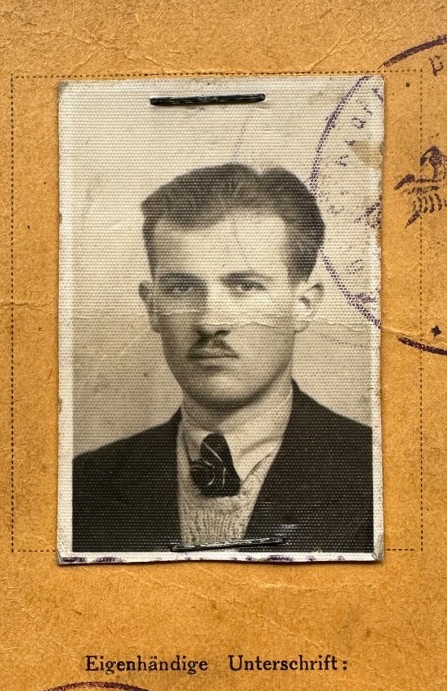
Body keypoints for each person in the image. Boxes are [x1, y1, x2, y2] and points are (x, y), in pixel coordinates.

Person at [72, 163, 375, 554]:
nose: (209, 322)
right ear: (152, 307)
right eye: (181, 288)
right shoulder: (83, 485)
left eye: (245, 286)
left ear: (303, 305)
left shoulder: (381, 471)